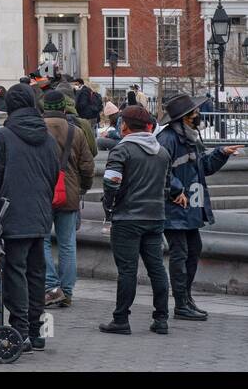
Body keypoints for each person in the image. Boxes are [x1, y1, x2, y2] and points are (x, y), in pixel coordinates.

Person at [0, 83, 58, 351]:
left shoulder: (3, 136)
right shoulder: (48, 138)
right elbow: (54, 173)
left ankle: (20, 328)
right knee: (37, 272)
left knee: (15, 271)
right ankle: (38, 332)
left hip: (12, 212)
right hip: (41, 213)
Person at [156, 93, 243, 321]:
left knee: (193, 250)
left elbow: (203, 167)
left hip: (190, 208)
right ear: (185, 117)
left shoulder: (190, 138)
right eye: (195, 112)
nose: (199, 115)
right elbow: (160, 171)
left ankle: (185, 298)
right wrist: (175, 191)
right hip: (175, 209)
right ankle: (181, 303)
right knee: (180, 253)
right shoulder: (168, 140)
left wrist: (221, 153)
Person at [100, 106, 175, 335]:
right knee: (157, 269)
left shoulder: (122, 150)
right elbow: (168, 186)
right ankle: (161, 319)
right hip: (155, 217)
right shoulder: (161, 152)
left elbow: (111, 182)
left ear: (124, 125)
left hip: (127, 219)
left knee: (127, 271)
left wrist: (110, 204)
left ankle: (121, 319)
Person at [42, 90, 97, 310]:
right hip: (70, 192)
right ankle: (67, 290)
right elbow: (87, 166)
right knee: (67, 244)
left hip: (43, 192)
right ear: (65, 108)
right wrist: (83, 188)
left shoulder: (38, 129)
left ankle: (51, 286)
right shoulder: (77, 131)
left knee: (43, 241)